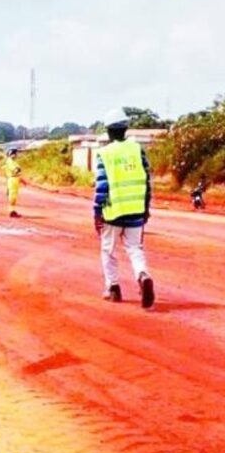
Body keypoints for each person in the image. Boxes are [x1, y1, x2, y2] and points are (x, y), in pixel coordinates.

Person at [94, 109, 155, 309]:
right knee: (135, 248)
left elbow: (102, 186)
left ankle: (113, 288)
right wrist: (146, 207)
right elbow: (147, 180)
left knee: (108, 250)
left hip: (112, 211)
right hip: (136, 209)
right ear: (126, 129)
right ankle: (143, 275)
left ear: (109, 131)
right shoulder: (137, 150)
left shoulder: (105, 153)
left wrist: (97, 212)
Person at [5, 147, 22, 218]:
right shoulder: (10, 161)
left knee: (13, 196)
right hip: (13, 179)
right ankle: (11, 212)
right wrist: (18, 170)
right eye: (16, 153)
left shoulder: (12, 161)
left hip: (14, 179)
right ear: (12, 154)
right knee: (12, 196)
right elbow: (15, 170)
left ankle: (12, 211)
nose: (17, 155)